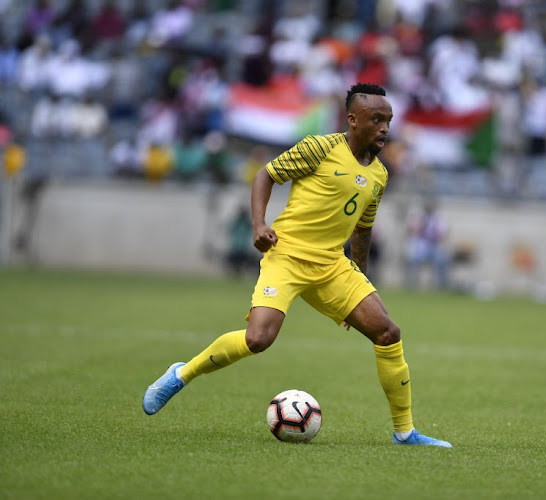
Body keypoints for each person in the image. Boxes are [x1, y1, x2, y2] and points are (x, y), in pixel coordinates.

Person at [142, 83, 452, 448]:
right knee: (259, 339)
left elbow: (362, 229)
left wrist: (362, 282)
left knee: (387, 332)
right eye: (376, 119)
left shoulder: (380, 175)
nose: (385, 127)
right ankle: (181, 373)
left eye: (388, 120)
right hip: (287, 256)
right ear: (353, 120)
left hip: (332, 266)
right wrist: (259, 226)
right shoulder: (319, 148)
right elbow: (265, 175)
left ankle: (405, 432)